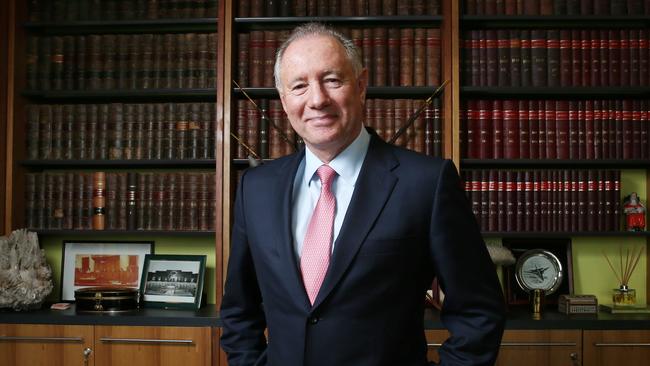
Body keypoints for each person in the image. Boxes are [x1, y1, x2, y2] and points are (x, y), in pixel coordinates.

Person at [220, 23, 506, 366]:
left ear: (361, 86)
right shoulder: (256, 188)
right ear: (284, 100)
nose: (317, 99)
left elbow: (479, 311)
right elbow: (239, 310)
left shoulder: (427, 183)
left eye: (332, 80)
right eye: (299, 86)